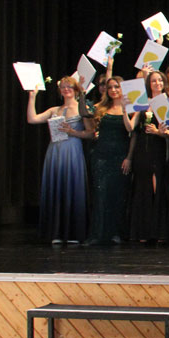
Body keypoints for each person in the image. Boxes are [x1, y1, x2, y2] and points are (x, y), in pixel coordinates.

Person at [27, 76, 93, 243]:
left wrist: (72, 132)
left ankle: (73, 233)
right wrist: (32, 97)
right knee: (57, 188)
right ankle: (56, 232)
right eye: (63, 87)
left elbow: (91, 133)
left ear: (76, 90)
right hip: (55, 152)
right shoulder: (54, 110)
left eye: (69, 86)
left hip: (72, 150)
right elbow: (32, 119)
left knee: (72, 188)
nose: (66, 89)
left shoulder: (82, 109)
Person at [127, 70, 169, 242]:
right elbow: (132, 128)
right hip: (141, 150)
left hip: (157, 148)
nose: (157, 83)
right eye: (154, 81)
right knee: (142, 187)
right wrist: (125, 110)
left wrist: (159, 132)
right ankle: (142, 231)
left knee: (157, 187)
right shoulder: (142, 102)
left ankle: (158, 231)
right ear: (148, 84)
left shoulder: (166, 102)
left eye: (160, 81)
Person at [87, 76, 133, 244]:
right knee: (100, 194)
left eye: (117, 87)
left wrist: (129, 157)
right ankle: (97, 234)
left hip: (120, 155)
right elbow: (87, 119)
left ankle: (115, 233)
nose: (113, 90)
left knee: (118, 194)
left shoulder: (130, 107)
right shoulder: (101, 107)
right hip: (101, 155)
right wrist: (82, 95)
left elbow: (132, 131)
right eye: (110, 87)